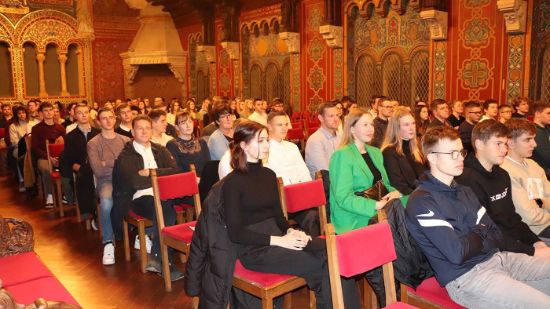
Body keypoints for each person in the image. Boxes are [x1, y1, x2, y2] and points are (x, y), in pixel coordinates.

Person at [405, 126, 550, 309]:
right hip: (468, 278)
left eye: (461, 152)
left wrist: (476, 233)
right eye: (452, 153)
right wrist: (481, 229)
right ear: (432, 157)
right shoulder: (422, 202)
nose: (460, 159)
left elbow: (496, 234)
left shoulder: (463, 190)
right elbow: (457, 253)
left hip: (500, 259)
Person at [223, 121, 359, 309]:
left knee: (335, 250)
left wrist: (291, 231)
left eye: (267, 140)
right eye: (260, 141)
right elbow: (236, 233)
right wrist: (280, 240)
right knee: (323, 265)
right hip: (255, 250)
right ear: (244, 145)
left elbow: (278, 217)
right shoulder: (232, 183)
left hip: (279, 238)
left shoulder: (269, 175)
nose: (266, 145)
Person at [456, 119, 547, 256]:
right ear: (479, 144)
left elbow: (512, 218)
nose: (505, 149)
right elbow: (486, 232)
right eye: (498, 144)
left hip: (514, 243)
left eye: (505, 144)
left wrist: (535, 241)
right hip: (493, 252)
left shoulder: (502, 174)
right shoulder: (467, 180)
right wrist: (531, 251)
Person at [112, 115, 183, 280]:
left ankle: (159, 258)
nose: (144, 131)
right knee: (166, 207)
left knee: (165, 206)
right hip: (138, 199)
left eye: (147, 128)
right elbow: (137, 183)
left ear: (152, 130)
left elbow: (176, 170)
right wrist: (160, 177)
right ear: (132, 131)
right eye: (139, 128)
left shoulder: (160, 149)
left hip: (163, 195)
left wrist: (151, 173)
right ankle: (164, 260)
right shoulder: (126, 155)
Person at [329, 109, 402, 234]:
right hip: (353, 216)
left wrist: (394, 192)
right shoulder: (342, 155)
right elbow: (343, 198)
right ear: (352, 129)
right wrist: (374, 205)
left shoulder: (375, 152)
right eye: (365, 125)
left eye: (372, 124)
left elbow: (383, 184)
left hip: (379, 209)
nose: (370, 129)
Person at [88, 108, 131, 265]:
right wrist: (119, 163)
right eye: (103, 118)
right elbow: (98, 170)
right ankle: (108, 242)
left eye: (110, 117)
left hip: (127, 179)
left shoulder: (125, 140)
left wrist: (110, 162)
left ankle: (144, 235)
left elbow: (130, 166)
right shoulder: (93, 143)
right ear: (98, 122)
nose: (108, 121)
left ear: (115, 119)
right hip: (107, 181)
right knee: (106, 202)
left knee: (148, 195)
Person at [265, 111, 319, 236]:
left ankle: (319, 247)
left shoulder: (292, 147)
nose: (284, 128)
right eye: (279, 125)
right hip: (279, 202)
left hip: (300, 199)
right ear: (269, 127)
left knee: (316, 216)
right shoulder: (265, 149)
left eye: (285, 124)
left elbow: (304, 172)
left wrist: (306, 194)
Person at [501, 118, 550, 243]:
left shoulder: (533, 164)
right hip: (533, 231)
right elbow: (528, 216)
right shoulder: (505, 170)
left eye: (533, 138)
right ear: (511, 142)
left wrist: (541, 203)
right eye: (528, 139)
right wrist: (543, 203)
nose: (534, 144)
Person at [60, 104, 100, 227]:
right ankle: (93, 213)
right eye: (80, 113)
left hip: (99, 167)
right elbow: (68, 156)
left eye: (86, 112)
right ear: (75, 115)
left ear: (89, 114)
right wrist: (73, 165)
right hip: (82, 168)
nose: (83, 115)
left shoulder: (98, 133)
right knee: (85, 174)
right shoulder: (71, 136)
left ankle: (101, 213)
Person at [381, 107, 425, 196]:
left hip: (421, 194)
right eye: (406, 124)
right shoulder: (389, 152)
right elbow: (398, 184)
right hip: (407, 198)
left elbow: (424, 177)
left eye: (413, 123)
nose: (411, 128)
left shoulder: (415, 149)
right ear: (397, 128)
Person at [31, 102, 66, 207]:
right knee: (46, 169)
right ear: (41, 113)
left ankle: (66, 193)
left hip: (60, 156)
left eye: (51, 110)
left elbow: (66, 145)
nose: (49, 112)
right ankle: (49, 195)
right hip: (44, 157)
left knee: (69, 165)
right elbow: (35, 148)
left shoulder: (60, 128)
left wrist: (59, 157)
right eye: (46, 110)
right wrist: (49, 157)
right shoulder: (36, 128)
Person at [166, 111, 210, 176]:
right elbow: (176, 171)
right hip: (185, 182)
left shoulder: (202, 142)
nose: (188, 125)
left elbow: (208, 167)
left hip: (203, 181)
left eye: (190, 122)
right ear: (177, 127)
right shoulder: (172, 145)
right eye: (183, 123)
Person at [305, 101, 342, 177]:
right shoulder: (315, 140)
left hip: (340, 178)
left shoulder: (341, 136)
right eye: (331, 116)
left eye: (337, 115)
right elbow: (325, 171)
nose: (336, 119)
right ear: (321, 118)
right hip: (323, 184)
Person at [8, 105, 28, 192]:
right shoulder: (13, 126)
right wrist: (24, 144)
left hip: (32, 147)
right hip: (19, 148)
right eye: (19, 113)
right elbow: (14, 141)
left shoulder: (31, 123)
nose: (22, 115)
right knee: (19, 156)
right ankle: (22, 180)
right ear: (16, 115)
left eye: (23, 113)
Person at [532, 103, 550, 177]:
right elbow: (545, 155)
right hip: (541, 172)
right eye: (548, 113)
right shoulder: (533, 130)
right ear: (537, 114)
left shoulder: (547, 128)